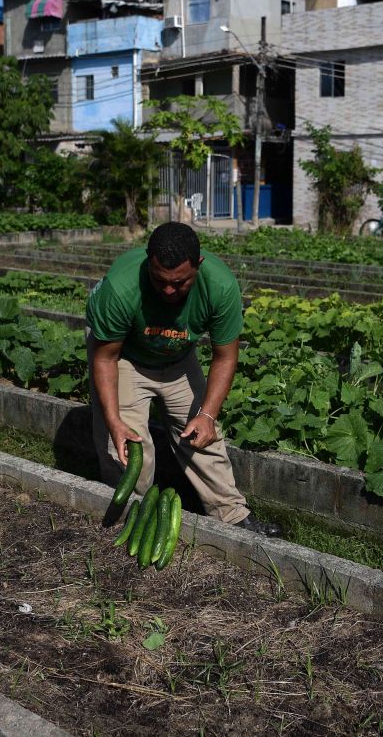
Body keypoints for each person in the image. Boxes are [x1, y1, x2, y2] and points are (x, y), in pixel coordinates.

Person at [86, 221, 281, 537]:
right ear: (149, 262)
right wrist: (114, 421)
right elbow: (105, 358)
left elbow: (225, 357)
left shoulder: (219, 287)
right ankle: (130, 516)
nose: (168, 290)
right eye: (160, 280)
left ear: (198, 265)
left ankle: (231, 514)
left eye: (179, 283)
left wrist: (207, 415)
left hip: (177, 358)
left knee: (203, 435)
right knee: (128, 448)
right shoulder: (121, 289)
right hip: (125, 359)